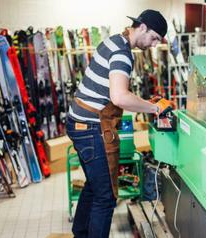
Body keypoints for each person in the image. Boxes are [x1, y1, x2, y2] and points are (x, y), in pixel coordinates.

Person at [66, 9, 171, 238]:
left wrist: (144, 101)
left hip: (77, 122)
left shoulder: (113, 41)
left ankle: (80, 233)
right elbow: (119, 97)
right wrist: (155, 108)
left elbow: (111, 87)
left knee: (94, 186)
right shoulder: (123, 53)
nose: (154, 45)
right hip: (90, 127)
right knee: (106, 197)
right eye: (154, 38)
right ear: (142, 27)